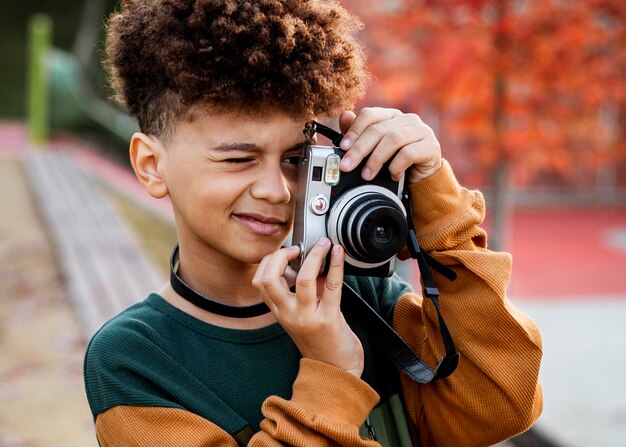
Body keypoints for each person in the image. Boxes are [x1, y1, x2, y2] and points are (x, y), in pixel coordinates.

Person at [83, 0, 543, 446]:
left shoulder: (365, 300)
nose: (277, 190)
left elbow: (503, 405)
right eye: (240, 158)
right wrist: (333, 372)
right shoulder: (135, 360)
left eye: (296, 160)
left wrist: (439, 209)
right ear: (150, 165)